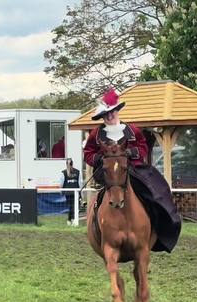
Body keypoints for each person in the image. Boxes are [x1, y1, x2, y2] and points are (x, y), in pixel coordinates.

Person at [83, 88, 181, 253]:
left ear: (117, 110)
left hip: (133, 169)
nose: (109, 116)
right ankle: (97, 228)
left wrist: (130, 153)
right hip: (108, 172)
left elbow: (142, 147)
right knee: (101, 195)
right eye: (106, 114)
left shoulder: (133, 131)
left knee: (157, 189)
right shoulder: (96, 134)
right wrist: (100, 158)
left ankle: (159, 224)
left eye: (112, 112)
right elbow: (88, 153)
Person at [60, 158, 82, 226]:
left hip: (68, 192)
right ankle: (71, 220)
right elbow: (80, 183)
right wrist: (81, 192)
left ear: (66, 164)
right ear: (73, 163)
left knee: (71, 207)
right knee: (74, 207)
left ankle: (70, 220)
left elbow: (61, 183)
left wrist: (61, 191)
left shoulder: (63, 172)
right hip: (76, 192)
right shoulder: (78, 172)